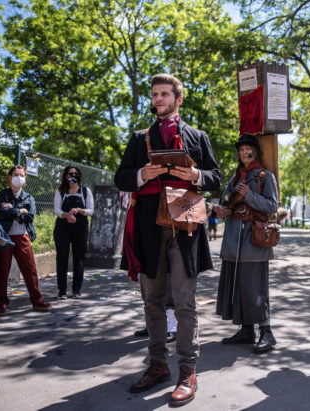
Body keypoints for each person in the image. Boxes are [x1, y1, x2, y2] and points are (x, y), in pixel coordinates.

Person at [115, 73, 221, 406]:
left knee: (186, 303)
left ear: (178, 98)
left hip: (185, 228)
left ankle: (187, 371)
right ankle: (158, 365)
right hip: (149, 229)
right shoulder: (139, 138)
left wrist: (196, 175)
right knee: (152, 301)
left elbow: (216, 177)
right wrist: (140, 174)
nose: (158, 99)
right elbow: (121, 177)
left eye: (164, 94)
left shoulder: (197, 136)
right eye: (155, 95)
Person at [214, 134, 279, 353]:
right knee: (239, 285)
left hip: (254, 237)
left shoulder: (265, 176)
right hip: (233, 238)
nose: (244, 153)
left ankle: (267, 332)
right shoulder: (234, 178)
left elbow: (272, 206)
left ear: (255, 151)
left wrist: (249, 195)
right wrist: (220, 208)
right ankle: (246, 331)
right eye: (241, 150)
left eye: (247, 149)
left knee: (255, 287)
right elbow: (225, 201)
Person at [0, 165, 52, 316]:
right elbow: (1, 211)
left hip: (23, 236)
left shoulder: (29, 197)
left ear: (25, 180)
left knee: (30, 269)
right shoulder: (2, 195)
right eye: (15, 174)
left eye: (21, 175)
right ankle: (1, 302)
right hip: (4, 237)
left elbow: (30, 216)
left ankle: (37, 300)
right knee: (2, 270)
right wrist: (20, 211)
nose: (18, 177)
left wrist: (11, 211)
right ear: (9, 178)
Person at [53, 166, 94, 299]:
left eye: (76, 174)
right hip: (62, 227)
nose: (73, 176)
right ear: (66, 176)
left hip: (80, 227)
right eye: (70, 173)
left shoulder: (85, 191)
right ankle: (62, 290)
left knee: (79, 258)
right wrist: (66, 215)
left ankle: (76, 289)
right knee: (62, 258)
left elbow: (90, 210)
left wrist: (79, 210)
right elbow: (57, 210)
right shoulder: (61, 191)